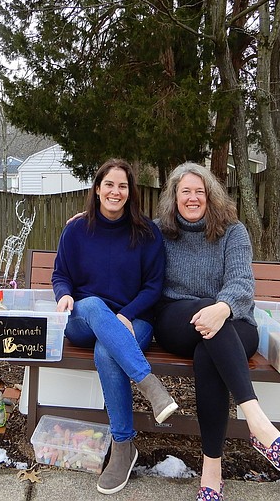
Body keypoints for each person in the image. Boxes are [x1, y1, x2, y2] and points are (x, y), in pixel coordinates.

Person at [153, 162, 280, 501]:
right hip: (175, 320)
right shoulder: (159, 231)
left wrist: (221, 308)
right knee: (205, 323)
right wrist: (84, 220)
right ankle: (259, 424)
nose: (193, 198)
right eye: (186, 191)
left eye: (200, 191)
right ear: (174, 197)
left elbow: (242, 283)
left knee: (209, 350)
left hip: (231, 319)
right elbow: (118, 228)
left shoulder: (233, 230)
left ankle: (212, 471)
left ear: (211, 195)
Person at [52, 159, 178, 495]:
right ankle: (149, 383)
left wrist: (128, 313)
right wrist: (64, 295)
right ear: (97, 188)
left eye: (122, 186)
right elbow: (61, 274)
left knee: (108, 349)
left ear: (130, 192)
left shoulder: (146, 232)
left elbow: (153, 286)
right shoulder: (77, 230)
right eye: (109, 184)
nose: (115, 191)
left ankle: (123, 448)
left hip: (134, 319)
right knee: (93, 303)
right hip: (83, 319)